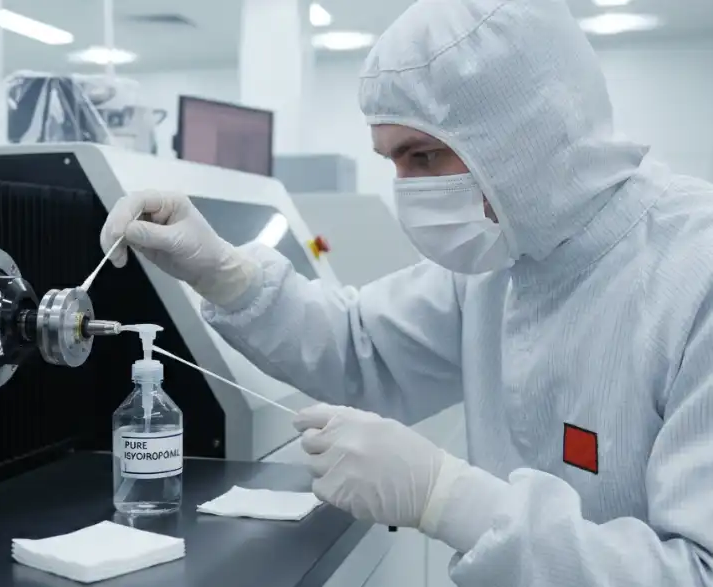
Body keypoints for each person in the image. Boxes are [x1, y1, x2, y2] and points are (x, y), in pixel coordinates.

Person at [100, 0, 713, 583]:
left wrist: (451, 499)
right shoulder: (503, 255)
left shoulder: (693, 274)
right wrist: (224, 273)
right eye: (391, 161)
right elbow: (360, 348)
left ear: (523, 136)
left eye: (422, 156)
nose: (406, 189)